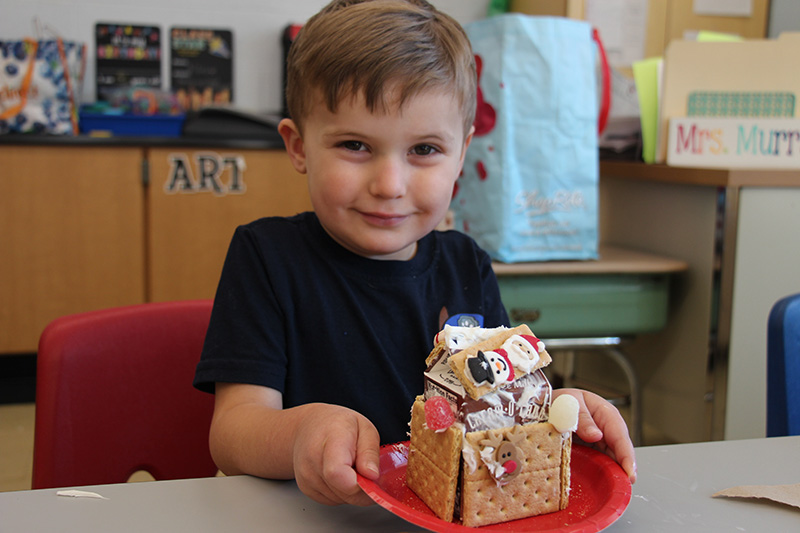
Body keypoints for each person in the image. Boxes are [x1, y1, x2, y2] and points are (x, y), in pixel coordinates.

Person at [194, 0, 636, 509]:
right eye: (355, 145)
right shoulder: (266, 256)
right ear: (298, 146)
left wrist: (560, 409)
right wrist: (299, 433)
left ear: (461, 155)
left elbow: (503, 402)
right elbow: (231, 431)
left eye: (424, 150)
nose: (389, 185)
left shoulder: (467, 264)